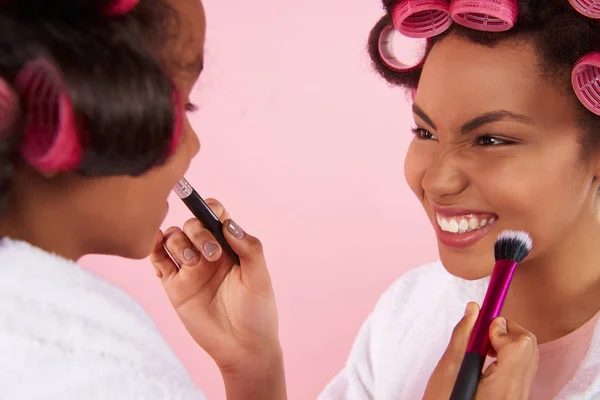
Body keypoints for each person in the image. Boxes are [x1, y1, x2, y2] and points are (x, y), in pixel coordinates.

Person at [155, 0, 600, 399]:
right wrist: (251, 365)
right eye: (425, 132)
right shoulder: (411, 309)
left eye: (491, 139)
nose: (438, 180)